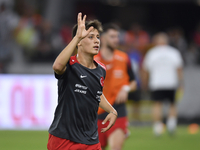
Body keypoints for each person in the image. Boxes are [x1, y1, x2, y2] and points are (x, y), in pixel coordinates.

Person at [47, 13, 118, 150]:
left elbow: (96, 93)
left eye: (97, 37)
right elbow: (57, 66)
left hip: (91, 140)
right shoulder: (70, 66)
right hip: (64, 138)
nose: (96, 41)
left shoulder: (101, 69)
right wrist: (77, 37)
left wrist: (112, 110)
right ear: (78, 41)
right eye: (90, 37)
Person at [95, 23, 137, 150]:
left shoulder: (124, 58)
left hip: (117, 111)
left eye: (117, 36)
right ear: (103, 38)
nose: (116, 40)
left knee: (116, 147)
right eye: (112, 36)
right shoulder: (93, 59)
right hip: (94, 113)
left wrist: (126, 89)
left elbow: (134, 82)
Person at [142, 32, 184, 136]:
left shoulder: (152, 53)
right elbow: (179, 69)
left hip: (157, 83)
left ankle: (158, 128)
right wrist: (181, 82)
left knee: (157, 105)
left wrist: (145, 83)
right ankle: (171, 125)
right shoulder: (174, 52)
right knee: (172, 104)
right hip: (171, 83)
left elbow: (146, 70)